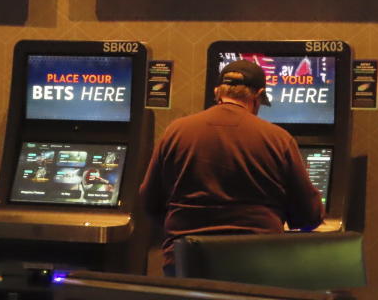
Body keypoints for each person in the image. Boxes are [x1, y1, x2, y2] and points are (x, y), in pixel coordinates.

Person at [139, 60, 324, 275]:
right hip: (256, 260)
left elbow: (149, 200)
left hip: (187, 259)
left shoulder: (176, 131)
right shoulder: (277, 138)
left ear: (218, 92)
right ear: (258, 96)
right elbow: (308, 214)